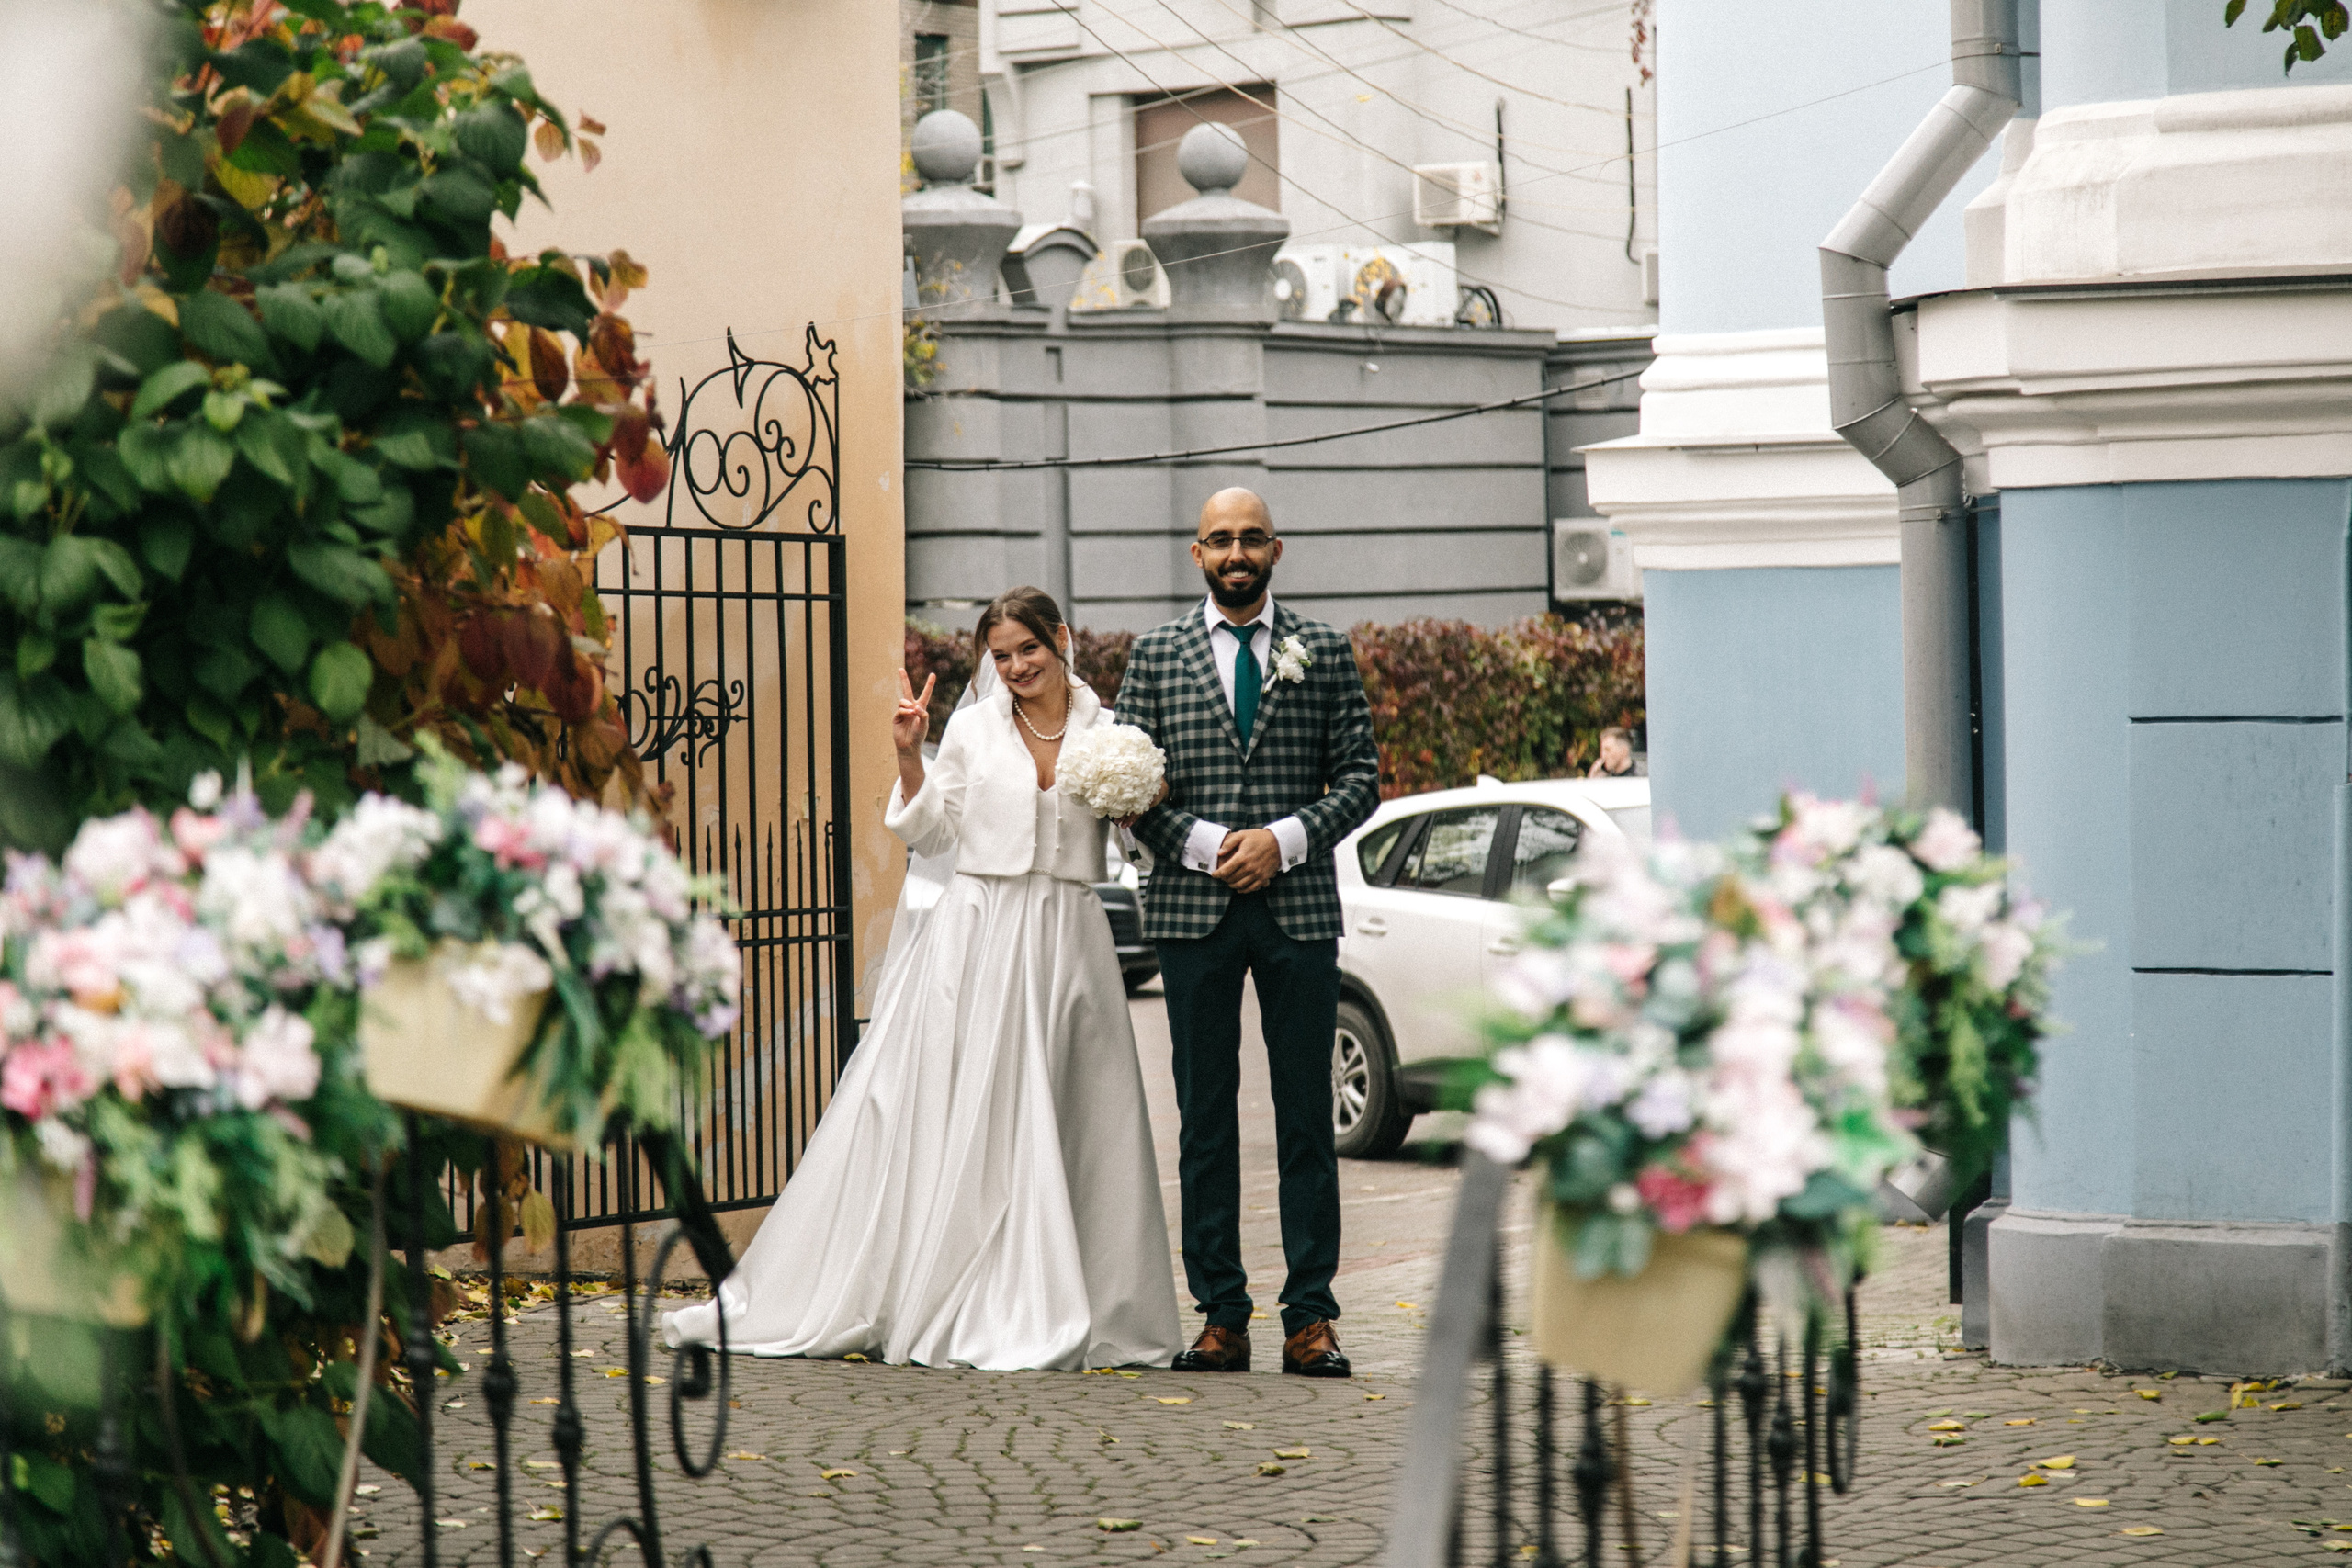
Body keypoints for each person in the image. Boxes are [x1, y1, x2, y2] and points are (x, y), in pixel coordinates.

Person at [662, 589, 1181, 1371]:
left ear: (1061, 639)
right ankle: (969, 1291)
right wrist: (912, 752)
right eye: (1001, 655)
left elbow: (1133, 852)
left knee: (1078, 1109)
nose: (1015, 667)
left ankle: (1096, 1297)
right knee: (976, 1109)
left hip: (1071, 937)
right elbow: (934, 830)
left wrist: (1142, 804)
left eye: (1028, 650)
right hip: (980, 933)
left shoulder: (1108, 732)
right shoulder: (971, 729)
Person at [1114, 488, 1382, 1377]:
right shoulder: (1154, 657)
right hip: (1194, 916)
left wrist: (1283, 842)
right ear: (1196, 553)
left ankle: (1310, 1316)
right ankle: (1220, 1314)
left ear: (1277, 549)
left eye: (1251, 539)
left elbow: (1360, 778)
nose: (1236, 552)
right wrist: (1204, 847)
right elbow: (1125, 784)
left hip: (1297, 911)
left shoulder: (1326, 651)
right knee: (1204, 1120)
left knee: (1306, 1117)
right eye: (1220, 539)